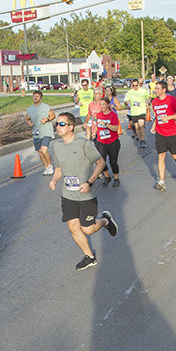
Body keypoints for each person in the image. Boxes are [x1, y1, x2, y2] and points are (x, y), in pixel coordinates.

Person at [49, 112, 118, 270]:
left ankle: (105, 220)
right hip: (68, 195)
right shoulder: (57, 146)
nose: (57, 127)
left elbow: (100, 162)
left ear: (71, 127)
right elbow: (59, 168)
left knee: (88, 228)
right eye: (57, 124)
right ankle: (90, 257)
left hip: (86, 194)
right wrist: (54, 180)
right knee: (73, 227)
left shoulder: (83, 144)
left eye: (61, 124)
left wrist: (89, 182)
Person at [150, 80, 176, 191]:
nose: (155, 90)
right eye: (155, 88)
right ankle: (162, 181)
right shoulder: (154, 102)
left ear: (164, 90)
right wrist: (154, 126)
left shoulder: (171, 100)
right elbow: (157, 115)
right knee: (161, 156)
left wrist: (168, 118)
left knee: (174, 156)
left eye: (158, 88)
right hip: (160, 133)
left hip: (171, 132)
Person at [24, 90, 56, 175]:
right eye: (34, 96)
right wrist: (29, 122)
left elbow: (53, 115)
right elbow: (27, 119)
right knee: (40, 152)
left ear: (41, 98)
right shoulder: (29, 109)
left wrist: (47, 119)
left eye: (37, 96)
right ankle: (46, 168)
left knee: (44, 150)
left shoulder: (46, 107)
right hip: (36, 133)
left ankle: (50, 165)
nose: (35, 98)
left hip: (46, 132)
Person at [92, 97, 121, 187]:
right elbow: (97, 125)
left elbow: (115, 128)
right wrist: (94, 132)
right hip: (101, 141)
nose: (102, 106)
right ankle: (107, 176)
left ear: (108, 105)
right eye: (100, 105)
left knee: (113, 161)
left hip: (112, 142)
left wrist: (105, 124)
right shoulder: (99, 114)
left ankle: (116, 178)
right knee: (101, 161)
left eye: (103, 104)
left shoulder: (113, 115)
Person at [124, 78, 150, 147]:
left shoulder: (143, 91)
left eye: (136, 85)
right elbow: (126, 101)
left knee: (141, 125)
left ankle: (143, 140)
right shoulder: (130, 92)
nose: (135, 87)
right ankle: (141, 139)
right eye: (133, 85)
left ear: (138, 84)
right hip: (134, 112)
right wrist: (127, 105)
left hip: (141, 111)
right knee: (137, 127)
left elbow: (148, 97)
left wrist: (148, 103)